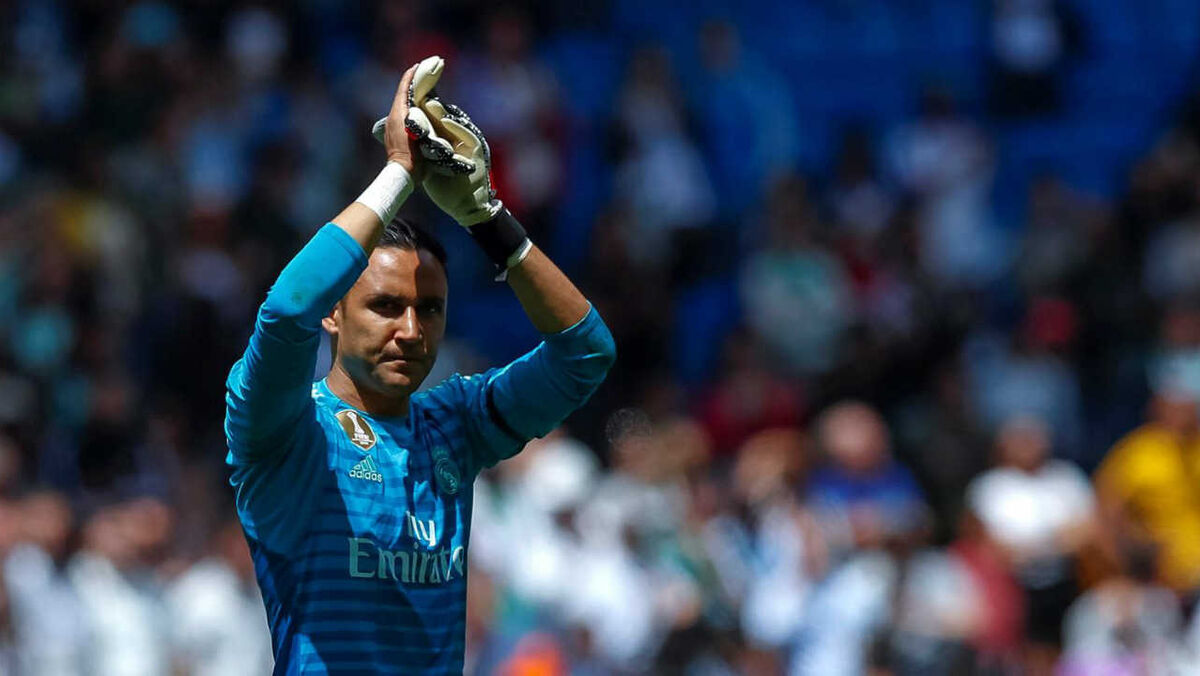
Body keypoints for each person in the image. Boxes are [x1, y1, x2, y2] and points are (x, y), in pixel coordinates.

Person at [224, 57, 615, 674]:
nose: (410, 330)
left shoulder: (455, 427)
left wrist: (486, 216)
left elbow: (585, 353)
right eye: (385, 306)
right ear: (334, 314)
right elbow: (286, 310)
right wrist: (399, 174)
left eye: (429, 309)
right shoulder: (283, 430)